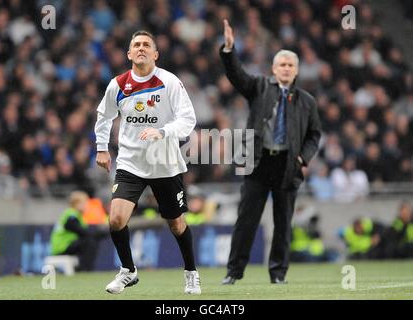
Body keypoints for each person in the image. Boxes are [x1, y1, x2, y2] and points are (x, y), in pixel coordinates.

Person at [94, 30, 200, 294]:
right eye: (136, 45)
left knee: (176, 223)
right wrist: (101, 149)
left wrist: (162, 132)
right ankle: (128, 271)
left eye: (146, 45)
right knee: (116, 219)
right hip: (130, 163)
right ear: (129, 54)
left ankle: (191, 272)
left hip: (164, 162)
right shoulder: (118, 84)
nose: (141, 48)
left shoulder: (170, 82)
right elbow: (104, 116)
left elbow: (188, 119)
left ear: (155, 54)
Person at [220, 20, 321, 285]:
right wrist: (229, 51)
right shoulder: (259, 87)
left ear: (296, 71)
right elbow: (237, 76)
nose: (286, 69)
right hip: (258, 162)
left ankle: (278, 274)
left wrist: (303, 158)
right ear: (273, 69)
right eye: (282, 65)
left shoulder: (307, 102)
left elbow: (314, 134)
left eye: (290, 65)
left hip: (287, 166)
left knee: (283, 224)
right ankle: (234, 272)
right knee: (246, 221)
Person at [50, 191, 103, 271]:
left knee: (90, 240)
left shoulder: (75, 215)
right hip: (62, 247)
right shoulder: (71, 215)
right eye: (85, 203)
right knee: (89, 241)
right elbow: (81, 231)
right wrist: (100, 233)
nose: (87, 206)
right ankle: (85, 269)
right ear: (77, 204)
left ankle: (84, 268)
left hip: (66, 245)